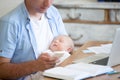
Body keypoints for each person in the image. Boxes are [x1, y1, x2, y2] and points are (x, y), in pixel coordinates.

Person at [0, 0, 67, 80]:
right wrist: (35, 65)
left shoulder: (53, 12)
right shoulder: (10, 23)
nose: (48, 4)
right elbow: (1, 70)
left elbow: (67, 43)